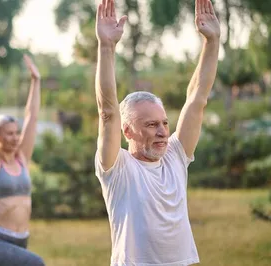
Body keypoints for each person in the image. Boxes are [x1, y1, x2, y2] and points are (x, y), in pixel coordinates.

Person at [94, 0, 220, 265]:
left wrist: (212, 42)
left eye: (164, 123)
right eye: (151, 125)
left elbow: (197, 99)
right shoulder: (118, 168)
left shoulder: (175, 155)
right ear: (127, 130)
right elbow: (107, 112)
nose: (163, 131)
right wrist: (106, 47)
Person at [0, 54, 45, 266]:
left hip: (20, 240)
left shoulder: (22, 157)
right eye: (9, 133)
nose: (16, 137)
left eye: (17, 132)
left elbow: (32, 116)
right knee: (36, 264)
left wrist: (36, 81)